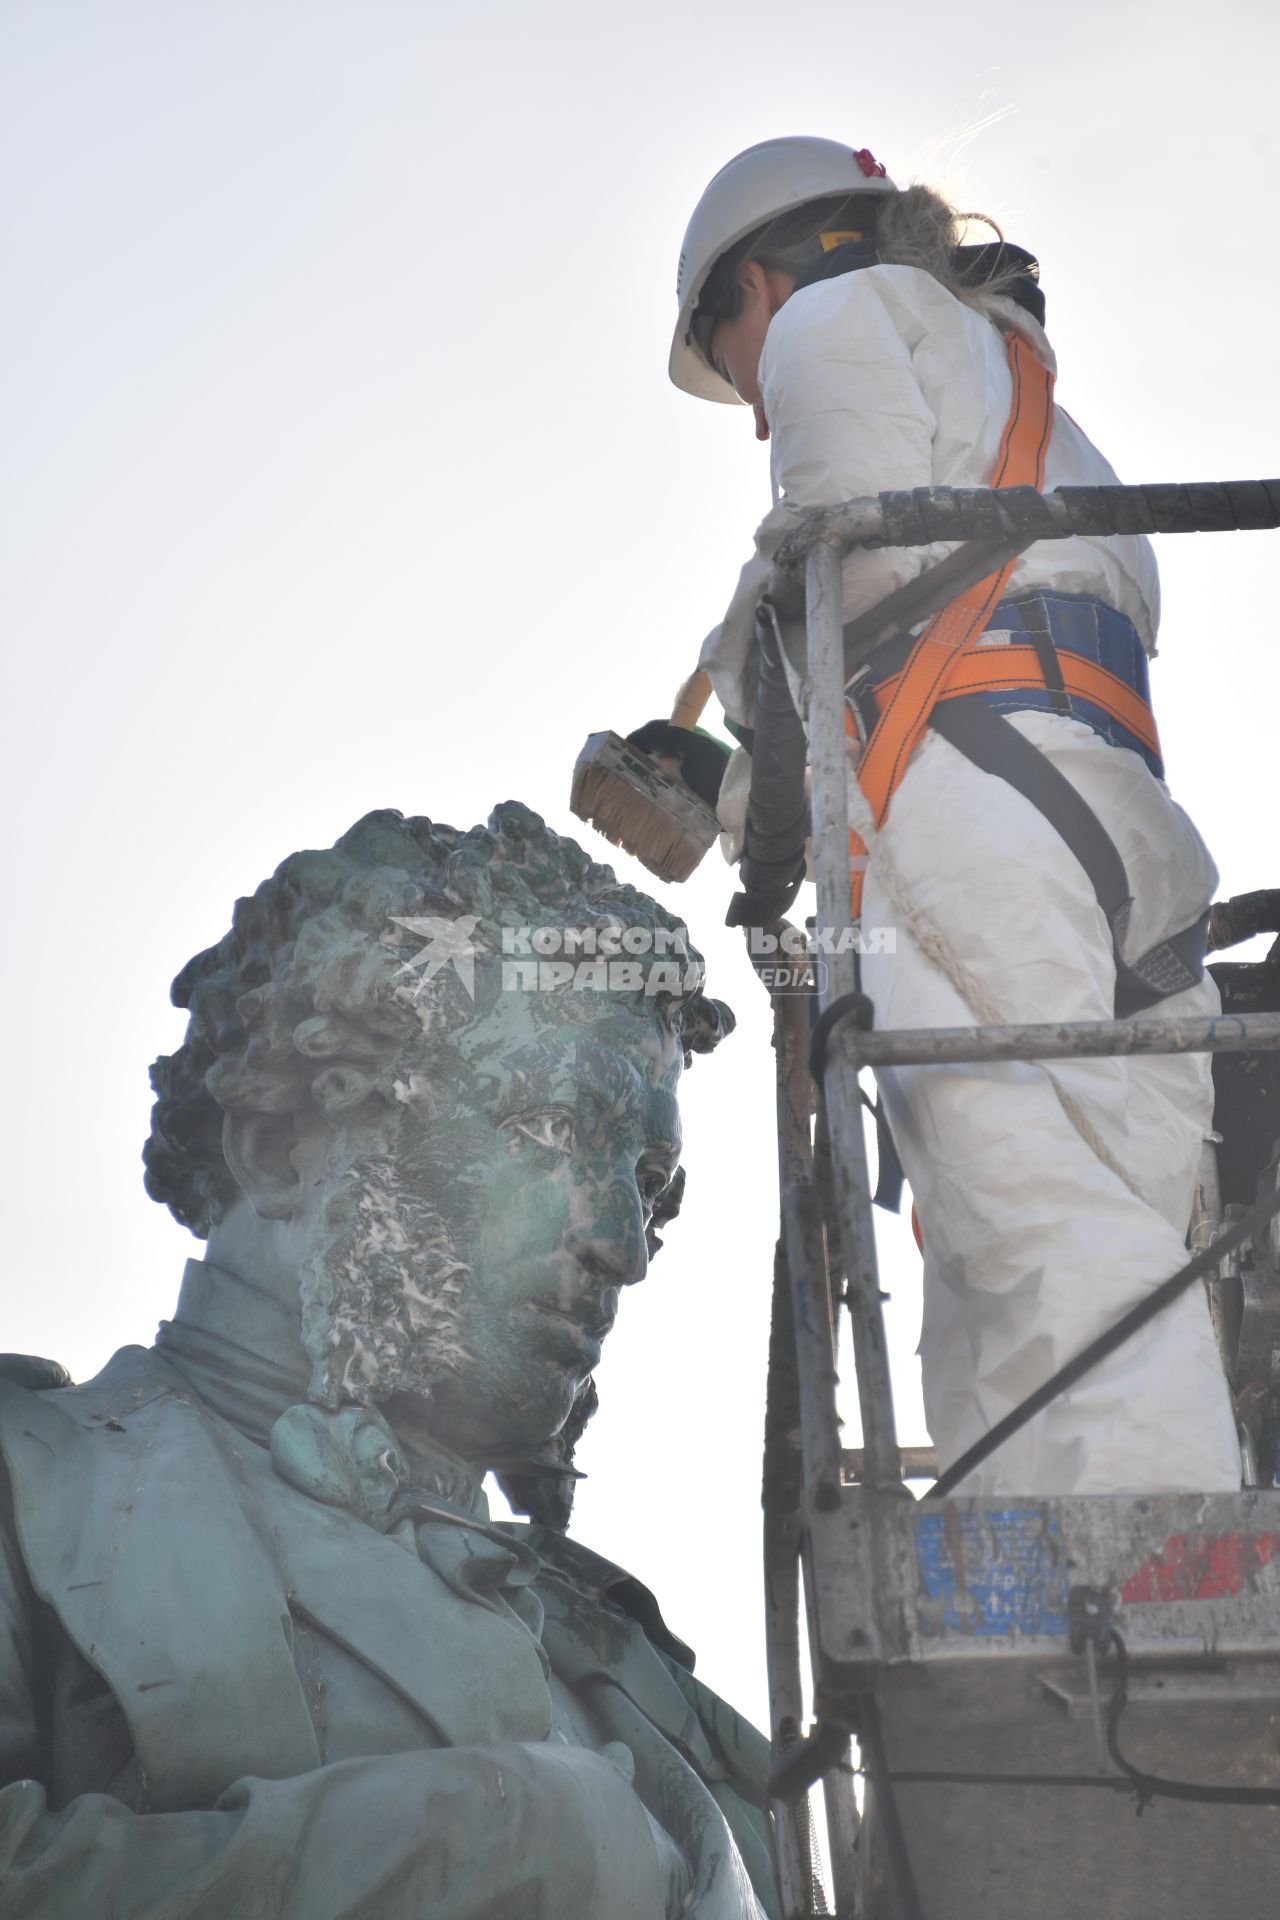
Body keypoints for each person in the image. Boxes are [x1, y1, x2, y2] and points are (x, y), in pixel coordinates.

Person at [0, 802, 776, 1920]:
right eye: (549, 1131)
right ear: (279, 1149)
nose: (623, 1243)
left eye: (651, 1185)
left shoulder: (635, 1668)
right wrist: (503, 1847)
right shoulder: (30, 1486)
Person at [669, 135, 1241, 1497]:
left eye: (730, 349)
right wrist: (747, 787)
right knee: (1081, 1226)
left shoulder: (829, 321)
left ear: (760, 280)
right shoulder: (1016, 382)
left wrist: (741, 674)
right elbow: (932, 614)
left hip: (970, 826)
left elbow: (853, 575)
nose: (756, 402)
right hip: (1105, 814)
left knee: (1033, 1219)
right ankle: (1056, 1562)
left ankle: (1158, 1563)